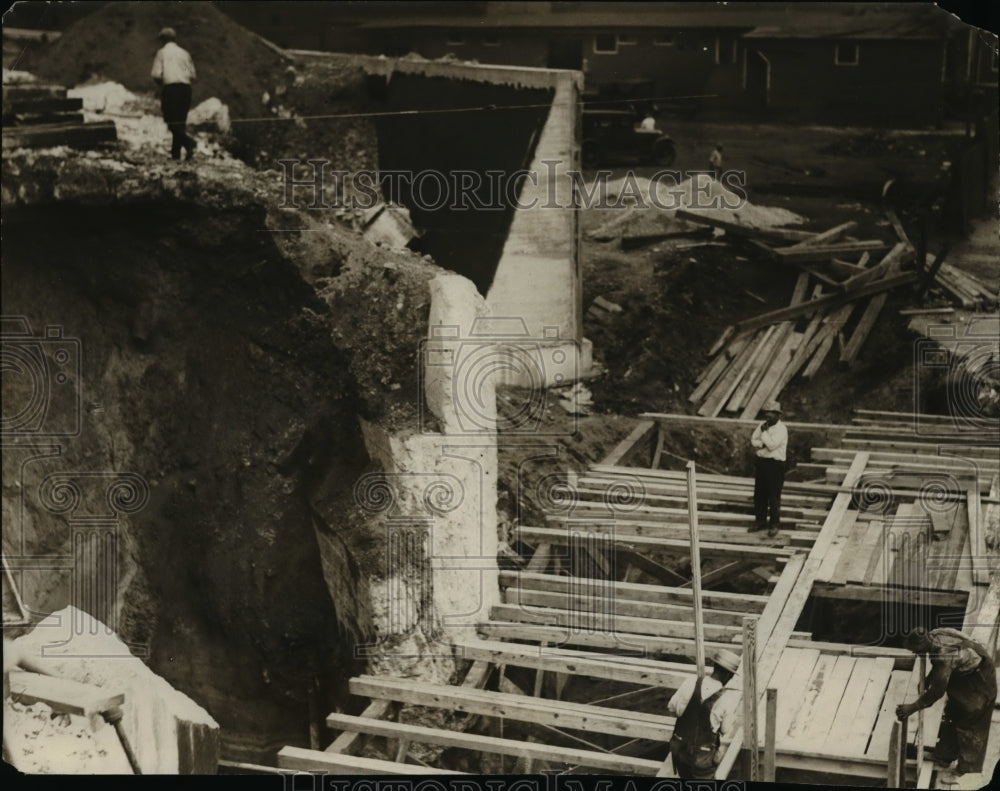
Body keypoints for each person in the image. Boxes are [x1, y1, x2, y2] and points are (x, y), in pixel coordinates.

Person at [897, 627, 997, 786]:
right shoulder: (935, 634)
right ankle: (944, 756)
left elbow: (937, 692)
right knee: (952, 714)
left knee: (971, 724)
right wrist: (930, 678)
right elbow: (940, 670)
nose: (916, 654)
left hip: (979, 681)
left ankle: (966, 772)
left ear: (923, 644)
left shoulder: (943, 655)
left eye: (916, 651)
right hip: (964, 673)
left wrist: (912, 707)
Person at [667, 650, 740, 779]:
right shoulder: (727, 698)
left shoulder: (691, 682)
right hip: (701, 762)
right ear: (729, 674)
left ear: (714, 666)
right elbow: (725, 730)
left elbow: (672, 708)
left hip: (680, 752)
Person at [151, 27, 197, 161]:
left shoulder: (161, 53)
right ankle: (176, 154)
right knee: (180, 121)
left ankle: (189, 143)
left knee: (171, 121)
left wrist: (162, 82)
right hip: (186, 90)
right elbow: (193, 75)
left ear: (163, 40)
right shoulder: (185, 53)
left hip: (171, 90)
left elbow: (155, 74)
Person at [750, 399, 787, 537]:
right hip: (761, 463)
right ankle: (760, 522)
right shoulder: (762, 425)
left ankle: (774, 524)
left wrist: (764, 435)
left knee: (773, 496)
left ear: (778, 415)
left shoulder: (782, 429)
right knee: (759, 494)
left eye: (771, 413)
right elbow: (753, 439)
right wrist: (762, 444)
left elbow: (772, 445)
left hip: (775, 465)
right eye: (766, 412)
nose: (767, 415)